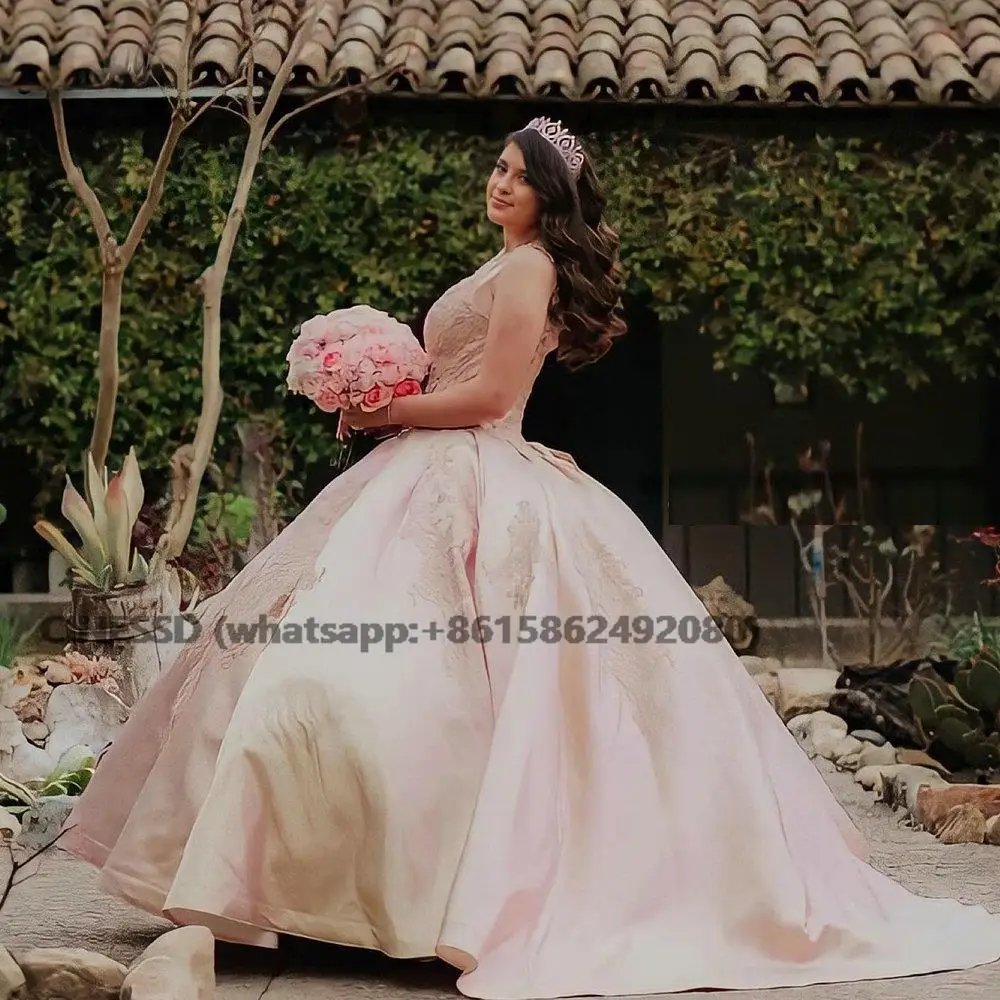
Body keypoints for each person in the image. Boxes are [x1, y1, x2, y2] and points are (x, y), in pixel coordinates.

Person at [62, 118, 1000, 998]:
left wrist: (378, 408)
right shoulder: (507, 264)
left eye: (515, 173)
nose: (497, 180)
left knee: (414, 684)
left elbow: (494, 394)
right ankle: (320, 894)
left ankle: (405, 897)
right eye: (497, 168)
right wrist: (381, 381)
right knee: (327, 667)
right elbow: (467, 386)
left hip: (470, 472)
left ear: (549, 194)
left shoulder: (531, 269)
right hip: (430, 471)